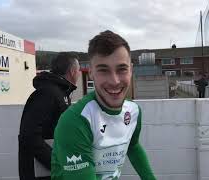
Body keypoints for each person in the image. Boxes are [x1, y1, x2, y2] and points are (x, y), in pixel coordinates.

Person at [51, 30, 156, 180]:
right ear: (91, 73)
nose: (114, 81)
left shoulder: (133, 111)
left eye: (122, 69)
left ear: (131, 70)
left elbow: (132, 145)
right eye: (103, 70)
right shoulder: (74, 122)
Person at [18, 52, 80, 180]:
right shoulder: (48, 93)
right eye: (78, 70)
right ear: (73, 71)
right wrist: (55, 162)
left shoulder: (59, 92)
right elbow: (28, 135)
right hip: (40, 174)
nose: (79, 74)